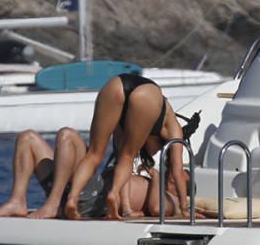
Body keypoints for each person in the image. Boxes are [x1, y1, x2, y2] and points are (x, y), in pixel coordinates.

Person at [64, 73, 191, 220]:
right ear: (161, 144)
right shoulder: (174, 129)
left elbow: (122, 167)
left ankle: (72, 199)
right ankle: (113, 193)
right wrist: (184, 208)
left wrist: (127, 209)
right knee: (127, 157)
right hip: (148, 94)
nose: (151, 153)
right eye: (155, 151)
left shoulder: (127, 128)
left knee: (94, 153)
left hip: (117, 83)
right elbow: (178, 172)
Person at [0, 128, 185, 219]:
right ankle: (17, 200)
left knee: (68, 136)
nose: (175, 175)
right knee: (27, 137)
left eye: (182, 179)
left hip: (90, 200)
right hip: (75, 191)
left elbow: (158, 209)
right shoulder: (147, 179)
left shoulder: (170, 198)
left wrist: (157, 179)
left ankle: (54, 203)